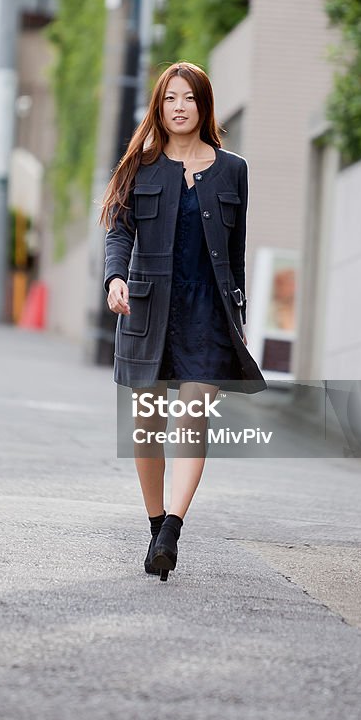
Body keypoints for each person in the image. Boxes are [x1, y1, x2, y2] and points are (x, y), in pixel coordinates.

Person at [98, 61, 266, 582]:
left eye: (188, 97)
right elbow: (118, 234)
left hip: (208, 317)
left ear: (203, 105)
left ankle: (172, 527)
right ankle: (155, 528)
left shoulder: (233, 169)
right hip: (149, 312)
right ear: (159, 106)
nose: (178, 106)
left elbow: (234, 255)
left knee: (192, 417)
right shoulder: (140, 166)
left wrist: (237, 316)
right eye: (169, 98)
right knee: (147, 428)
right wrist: (114, 280)